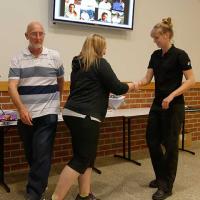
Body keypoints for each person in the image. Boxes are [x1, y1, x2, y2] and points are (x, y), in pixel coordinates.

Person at [51, 34, 135, 200]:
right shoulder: (99, 63)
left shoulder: (79, 65)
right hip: (86, 116)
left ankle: (84, 194)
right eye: (104, 46)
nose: (106, 50)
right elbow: (118, 87)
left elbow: (91, 89)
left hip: (72, 113)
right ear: (99, 48)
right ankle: (56, 197)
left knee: (86, 156)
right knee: (82, 158)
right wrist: (133, 85)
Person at [134, 17, 195, 200]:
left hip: (174, 106)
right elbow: (147, 78)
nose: (155, 40)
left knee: (170, 146)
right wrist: (135, 84)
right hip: (157, 105)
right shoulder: (155, 55)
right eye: (154, 38)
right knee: (152, 141)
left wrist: (172, 95)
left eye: (157, 37)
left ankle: (166, 186)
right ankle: (161, 176)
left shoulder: (180, 55)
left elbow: (191, 80)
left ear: (167, 35)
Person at [8, 21, 64, 200]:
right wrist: (21, 109)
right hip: (26, 115)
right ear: (27, 36)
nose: (38, 37)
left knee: (41, 152)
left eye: (41, 33)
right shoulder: (18, 58)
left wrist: (57, 101)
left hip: (48, 113)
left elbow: (60, 81)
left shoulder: (54, 56)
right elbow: (12, 86)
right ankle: (41, 181)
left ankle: (34, 193)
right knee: (31, 153)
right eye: (34, 33)